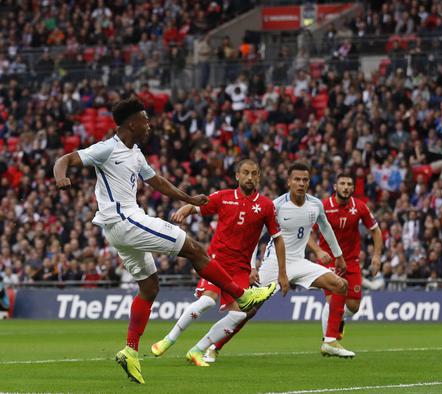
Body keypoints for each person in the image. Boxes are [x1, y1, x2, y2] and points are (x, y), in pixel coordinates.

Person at [52, 98, 276, 384]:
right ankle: (243, 296)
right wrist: (61, 176)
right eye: (145, 119)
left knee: (149, 286)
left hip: (120, 228)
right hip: (125, 220)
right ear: (131, 123)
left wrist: (188, 198)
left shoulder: (135, 153)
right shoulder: (107, 147)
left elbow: (156, 181)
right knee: (194, 249)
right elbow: (67, 159)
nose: (149, 124)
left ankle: (130, 352)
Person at [202, 161, 350, 362]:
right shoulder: (276, 205)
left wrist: (338, 256)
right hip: (273, 264)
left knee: (340, 285)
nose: (301, 183)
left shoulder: (315, 205)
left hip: (299, 262)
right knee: (247, 310)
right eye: (296, 179)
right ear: (288, 181)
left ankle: (330, 341)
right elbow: (254, 235)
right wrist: (252, 266)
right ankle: (213, 347)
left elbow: (326, 229)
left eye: (305, 180)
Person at [150, 159, 287, 366]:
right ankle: (168, 340)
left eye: (254, 174)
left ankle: (198, 350)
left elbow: (277, 239)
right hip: (217, 261)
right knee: (207, 301)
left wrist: (282, 273)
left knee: (241, 314)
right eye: (246, 173)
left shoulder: (266, 206)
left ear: (259, 177)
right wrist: (186, 209)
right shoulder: (223, 197)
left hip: (240, 268)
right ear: (237, 176)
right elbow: (198, 207)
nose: (250, 177)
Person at [307, 173, 382, 357]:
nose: (346, 187)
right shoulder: (323, 206)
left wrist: (377, 256)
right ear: (335, 186)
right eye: (342, 183)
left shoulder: (360, 207)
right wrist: (318, 251)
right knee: (333, 299)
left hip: (351, 261)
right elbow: (307, 233)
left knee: (354, 305)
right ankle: (329, 340)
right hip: (330, 260)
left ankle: (336, 322)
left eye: (349, 184)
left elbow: (376, 231)